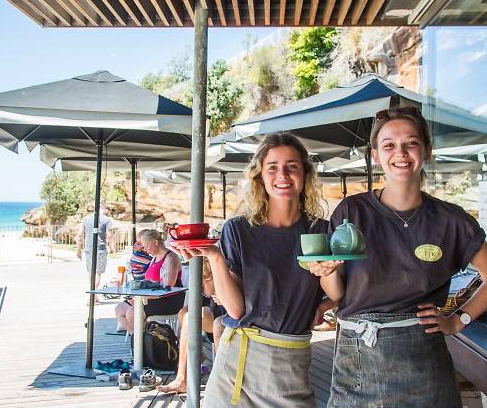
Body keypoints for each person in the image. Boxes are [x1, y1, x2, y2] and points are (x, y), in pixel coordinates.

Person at [326, 105, 487, 407]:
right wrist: (325, 271)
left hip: (424, 361)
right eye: (389, 145)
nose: (401, 152)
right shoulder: (351, 212)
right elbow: (336, 292)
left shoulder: (452, 220)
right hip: (357, 354)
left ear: (427, 151)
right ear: (376, 156)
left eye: (411, 143)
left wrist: (457, 320)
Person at [179, 133, 343, 407]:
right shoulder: (239, 229)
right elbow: (235, 310)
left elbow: (338, 290)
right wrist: (216, 257)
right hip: (237, 362)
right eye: (273, 167)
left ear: (305, 173)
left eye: (292, 166)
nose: (283, 175)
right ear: (260, 176)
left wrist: (322, 306)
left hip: (290, 363)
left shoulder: (320, 230)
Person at [158, 259, 226, 394]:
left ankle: (183, 378)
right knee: (184, 313)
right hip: (215, 313)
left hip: (225, 316)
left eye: (203, 283)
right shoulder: (210, 268)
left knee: (191, 318)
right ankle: (191, 362)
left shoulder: (221, 272)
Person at [114, 229, 186, 332]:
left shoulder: (170, 257)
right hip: (152, 298)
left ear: (155, 242)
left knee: (132, 313)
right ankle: (140, 341)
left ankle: (146, 342)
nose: (145, 250)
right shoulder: (154, 258)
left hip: (169, 300)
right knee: (119, 309)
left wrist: (142, 297)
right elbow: (148, 282)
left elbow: (167, 288)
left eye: (146, 246)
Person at [76, 204, 115, 302]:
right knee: (98, 272)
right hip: (100, 249)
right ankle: (93, 295)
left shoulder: (86, 219)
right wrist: (111, 247)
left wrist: (78, 250)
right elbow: (109, 235)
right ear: (104, 209)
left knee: (91, 272)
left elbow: (79, 235)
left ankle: (94, 294)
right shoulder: (106, 220)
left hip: (88, 249)